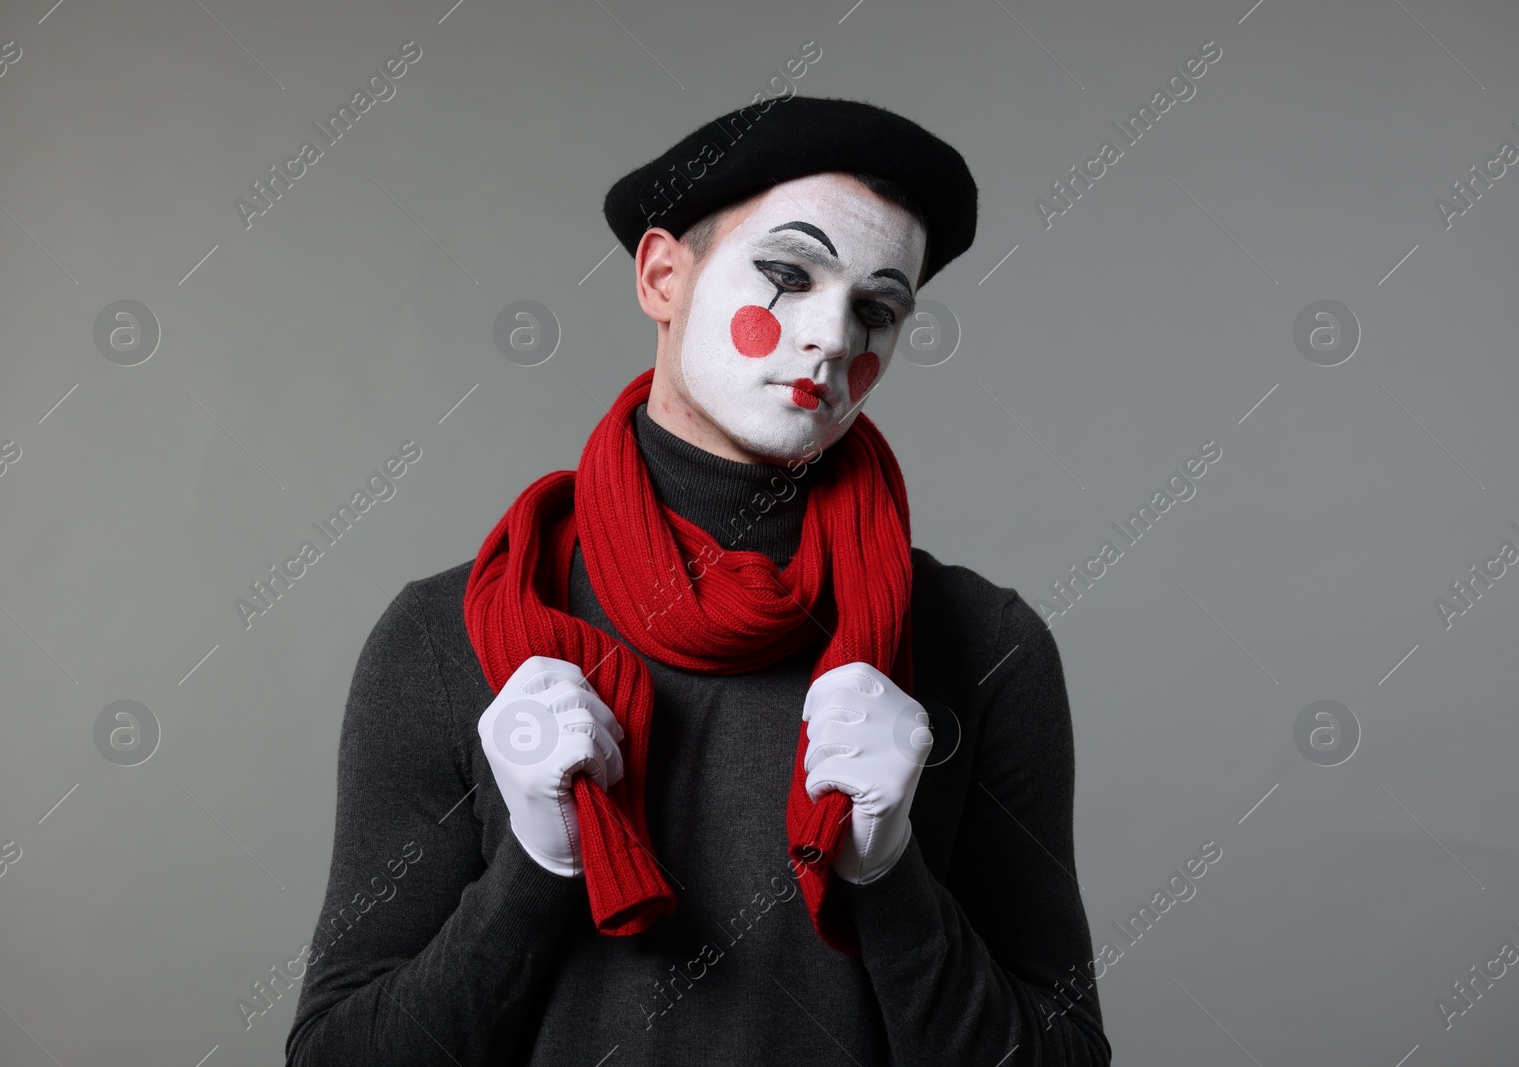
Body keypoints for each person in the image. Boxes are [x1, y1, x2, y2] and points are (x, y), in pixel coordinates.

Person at [286, 95, 1111, 1065]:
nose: (832, 337)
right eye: (787, 274)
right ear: (662, 275)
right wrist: (539, 859)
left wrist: (891, 875)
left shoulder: (983, 644)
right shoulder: (453, 633)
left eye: (877, 307)